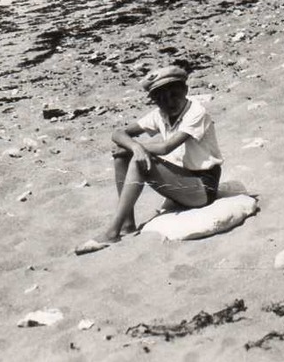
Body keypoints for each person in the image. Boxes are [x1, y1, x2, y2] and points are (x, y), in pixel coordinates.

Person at [80, 64, 223, 254]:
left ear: (186, 90)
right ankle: (127, 225)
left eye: (174, 95)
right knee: (122, 154)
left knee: (136, 159)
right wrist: (133, 146)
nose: (170, 102)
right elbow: (118, 133)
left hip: (203, 186)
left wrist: (136, 148)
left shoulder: (196, 112)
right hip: (183, 179)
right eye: (162, 99)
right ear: (155, 101)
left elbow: (166, 147)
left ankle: (112, 232)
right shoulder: (160, 114)